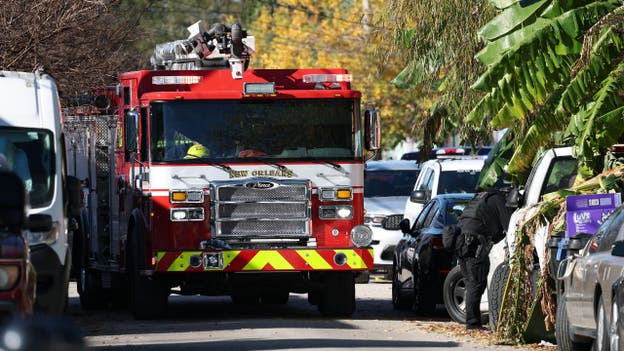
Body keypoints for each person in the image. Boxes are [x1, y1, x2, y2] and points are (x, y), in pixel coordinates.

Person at [457, 187, 513, 331]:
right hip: (474, 244)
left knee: (471, 283)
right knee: (476, 284)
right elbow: (509, 226)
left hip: (461, 242)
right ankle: (472, 324)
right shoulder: (499, 200)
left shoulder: (480, 198)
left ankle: (471, 322)